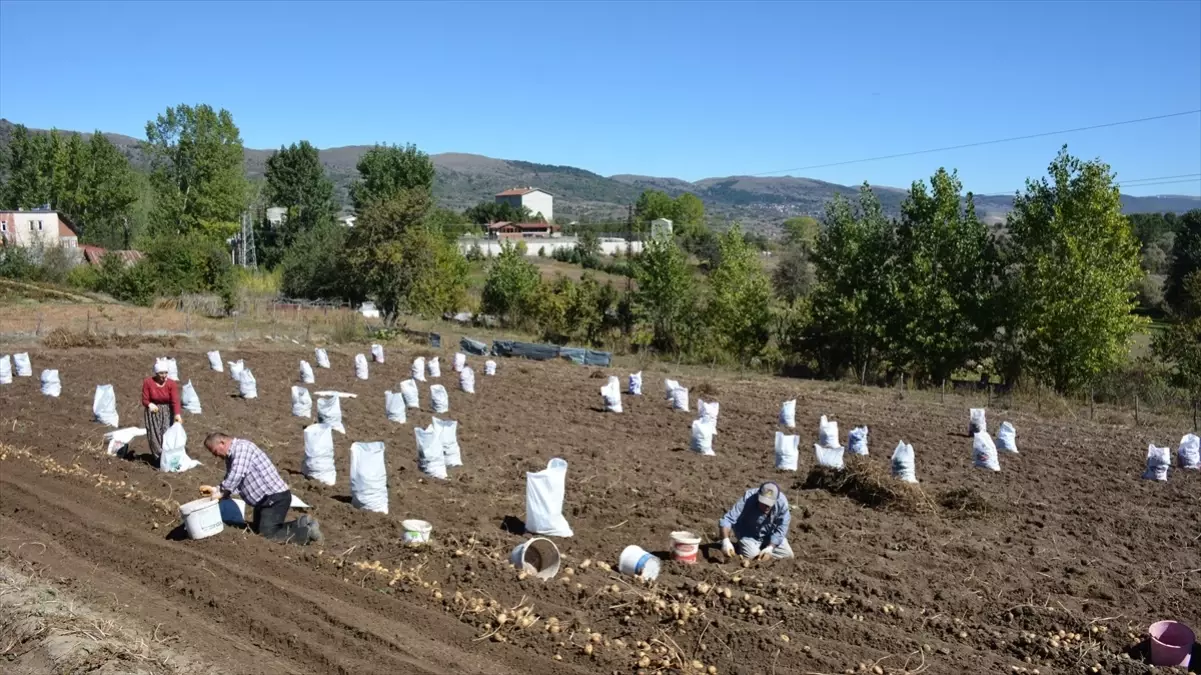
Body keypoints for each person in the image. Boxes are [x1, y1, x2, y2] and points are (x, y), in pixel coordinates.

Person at [199, 432, 322, 545]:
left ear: (222, 443)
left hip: (274, 498)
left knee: (267, 535)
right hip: (264, 501)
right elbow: (233, 481)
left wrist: (220, 491)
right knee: (259, 530)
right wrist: (216, 490)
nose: (216, 456)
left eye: (215, 451)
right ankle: (303, 523)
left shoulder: (242, 449)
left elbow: (236, 474)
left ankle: (306, 533)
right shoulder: (231, 457)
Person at [718, 482, 794, 561]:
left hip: (769, 534)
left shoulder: (782, 503)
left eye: (769, 504)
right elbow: (728, 519)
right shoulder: (748, 497)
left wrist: (770, 547)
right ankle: (739, 547)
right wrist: (725, 540)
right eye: (763, 503)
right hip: (749, 534)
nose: (766, 507)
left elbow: (782, 528)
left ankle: (762, 550)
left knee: (788, 555)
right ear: (758, 496)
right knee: (753, 557)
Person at [141, 361, 181, 461]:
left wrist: (177, 414)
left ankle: (167, 456)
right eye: (161, 373)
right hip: (153, 412)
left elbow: (175, 400)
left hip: (167, 412)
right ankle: (158, 458)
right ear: (156, 373)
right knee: (154, 435)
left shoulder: (171, 383)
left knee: (166, 434)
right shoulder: (148, 382)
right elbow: (145, 399)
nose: (164, 376)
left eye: (165, 373)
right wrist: (149, 404)